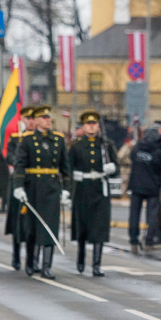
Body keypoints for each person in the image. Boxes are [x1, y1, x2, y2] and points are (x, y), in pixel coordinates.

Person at [13, 105, 70, 280]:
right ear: (36, 120)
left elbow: (65, 168)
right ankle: (31, 262)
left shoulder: (58, 140)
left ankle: (47, 266)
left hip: (51, 188)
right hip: (33, 188)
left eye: (48, 118)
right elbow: (20, 165)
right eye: (44, 118)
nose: (47, 120)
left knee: (50, 226)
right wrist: (19, 186)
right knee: (32, 227)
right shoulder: (28, 140)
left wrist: (66, 190)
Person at [69, 110, 118, 276]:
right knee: (82, 228)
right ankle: (80, 259)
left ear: (98, 126)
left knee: (99, 228)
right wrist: (73, 178)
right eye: (88, 124)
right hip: (82, 190)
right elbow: (68, 167)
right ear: (83, 126)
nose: (91, 127)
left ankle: (96, 264)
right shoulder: (76, 146)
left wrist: (112, 169)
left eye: (94, 124)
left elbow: (116, 167)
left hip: (99, 190)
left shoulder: (106, 145)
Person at [127, 123, 161, 254]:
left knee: (134, 214)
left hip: (136, 185)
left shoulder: (137, 147)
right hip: (153, 186)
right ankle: (148, 240)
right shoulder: (159, 151)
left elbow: (131, 158)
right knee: (152, 215)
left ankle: (133, 241)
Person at [5, 106, 36, 271]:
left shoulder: (39, 139)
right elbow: (8, 156)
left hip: (34, 183)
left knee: (35, 221)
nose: (30, 122)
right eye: (27, 119)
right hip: (18, 182)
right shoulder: (16, 138)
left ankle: (34, 258)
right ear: (23, 120)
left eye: (32, 119)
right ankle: (16, 255)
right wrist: (20, 158)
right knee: (17, 219)